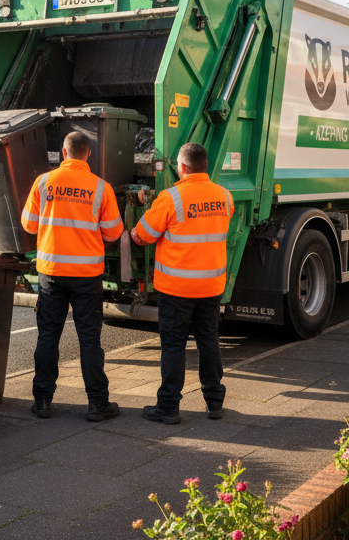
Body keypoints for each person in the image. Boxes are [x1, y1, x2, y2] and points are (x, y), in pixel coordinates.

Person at [20, 131, 124, 422]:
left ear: (63, 153)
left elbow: (28, 225)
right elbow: (114, 232)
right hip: (86, 275)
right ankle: (97, 404)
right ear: (88, 154)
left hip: (51, 273)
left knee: (48, 337)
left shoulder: (43, 182)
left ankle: (42, 401)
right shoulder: (101, 188)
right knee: (89, 340)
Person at [132, 143, 232, 425]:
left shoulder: (171, 197)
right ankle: (214, 403)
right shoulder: (224, 196)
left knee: (174, 346)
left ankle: (168, 407)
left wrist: (145, 213)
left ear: (183, 167)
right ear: (205, 166)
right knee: (209, 342)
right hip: (211, 287)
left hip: (177, 290)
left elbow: (143, 235)